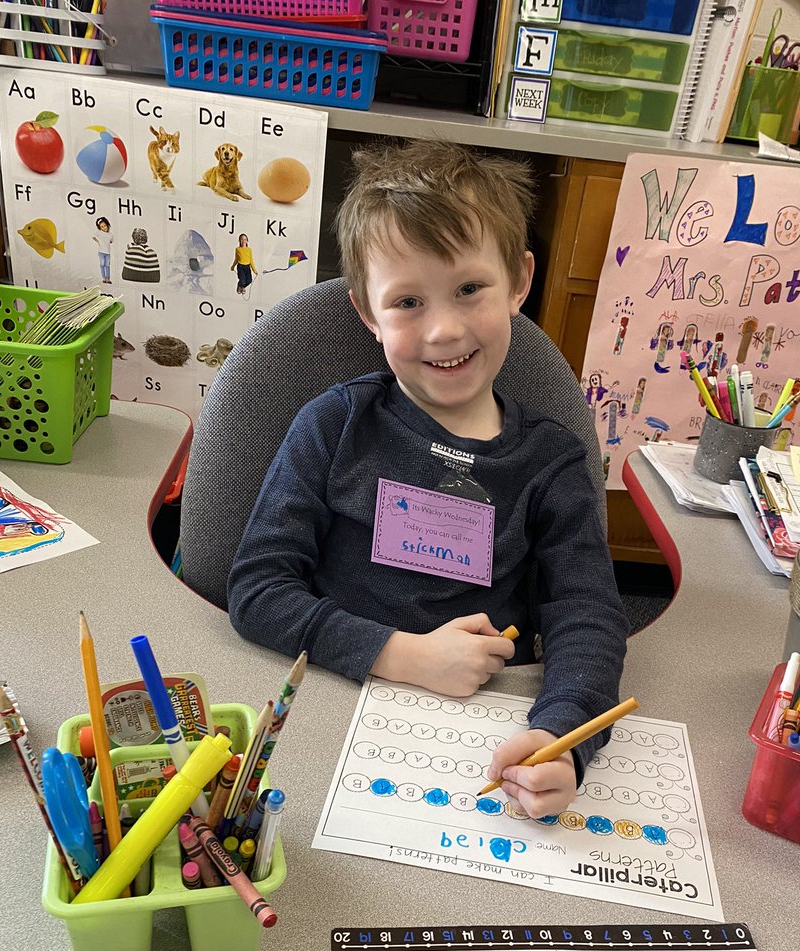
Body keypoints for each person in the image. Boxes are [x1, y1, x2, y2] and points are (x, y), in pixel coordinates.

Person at [227, 140, 627, 817]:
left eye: (470, 289)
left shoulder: (549, 462)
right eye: (408, 301)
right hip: (326, 712)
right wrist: (400, 654)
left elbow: (587, 615)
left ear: (520, 280)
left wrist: (561, 738)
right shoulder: (335, 425)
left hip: (483, 740)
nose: (443, 329)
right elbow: (258, 588)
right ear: (367, 313)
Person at [92, 216, 113, 284]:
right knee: (102, 264)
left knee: (107, 265)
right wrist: (98, 241)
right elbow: (93, 236)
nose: (104, 228)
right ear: (100, 228)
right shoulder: (99, 232)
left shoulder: (110, 235)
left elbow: (111, 241)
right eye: (102, 226)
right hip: (101, 252)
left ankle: (108, 278)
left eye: (105, 226)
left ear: (107, 225)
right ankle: (103, 278)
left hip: (107, 252)